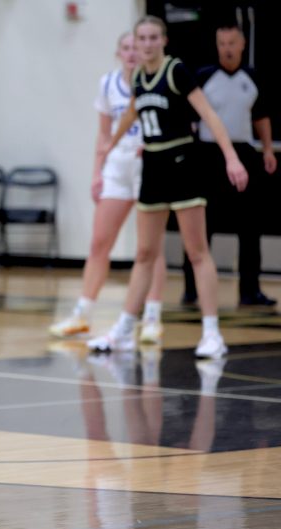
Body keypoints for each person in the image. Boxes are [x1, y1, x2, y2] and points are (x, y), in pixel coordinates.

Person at [88, 16, 248, 359]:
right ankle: (125, 329)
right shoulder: (140, 78)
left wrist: (231, 157)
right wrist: (110, 146)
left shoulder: (175, 71)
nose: (146, 44)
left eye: (152, 38)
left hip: (183, 164)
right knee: (145, 253)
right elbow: (132, 113)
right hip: (154, 168)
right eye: (141, 38)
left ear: (163, 40)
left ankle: (211, 333)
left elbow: (209, 115)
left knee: (197, 251)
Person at [49, 33, 167, 343]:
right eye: (125, 48)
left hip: (149, 164)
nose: (131, 53)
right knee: (99, 242)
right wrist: (96, 173)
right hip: (117, 164)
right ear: (118, 53)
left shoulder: (155, 82)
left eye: (135, 47)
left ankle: (152, 316)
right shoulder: (107, 84)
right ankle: (82, 313)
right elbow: (103, 136)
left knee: (150, 247)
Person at [181, 22, 277, 307]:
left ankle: (250, 291)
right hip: (209, 155)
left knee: (250, 226)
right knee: (200, 225)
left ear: (242, 44)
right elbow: (190, 118)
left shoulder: (253, 77)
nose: (227, 49)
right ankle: (192, 288)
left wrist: (268, 150)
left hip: (244, 153)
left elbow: (261, 117)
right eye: (222, 43)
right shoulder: (203, 76)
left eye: (232, 43)